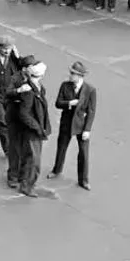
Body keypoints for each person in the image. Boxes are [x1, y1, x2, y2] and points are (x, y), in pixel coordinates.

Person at [49, 61, 96, 189]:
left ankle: (83, 180)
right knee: (62, 147)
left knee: (83, 153)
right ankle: (56, 169)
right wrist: (70, 103)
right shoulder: (65, 86)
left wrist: (87, 129)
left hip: (81, 124)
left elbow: (91, 111)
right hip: (67, 122)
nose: (70, 76)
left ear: (80, 76)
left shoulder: (90, 90)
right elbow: (58, 103)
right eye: (71, 73)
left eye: (73, 74)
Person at [11, 59, 51, 197]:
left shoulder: (38, 88)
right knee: (34, 161)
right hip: (33, 131)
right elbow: (24, 113)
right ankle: (27, 186)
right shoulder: (29, 91)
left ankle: (24, 180)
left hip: (36, 129)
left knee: (29, 157)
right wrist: (36, 127)